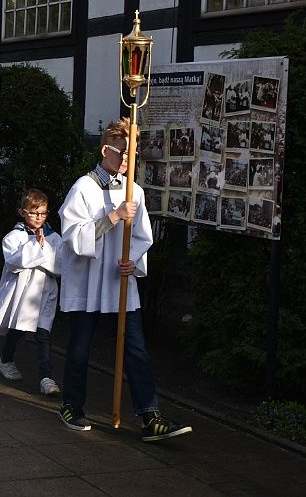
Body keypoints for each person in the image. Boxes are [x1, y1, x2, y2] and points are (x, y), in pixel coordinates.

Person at [57, 118, 192, 441]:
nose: (128, 160)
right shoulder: (83, 188)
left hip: (119, 280)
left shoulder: (135, 192)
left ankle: (150, 415)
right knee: (80, 346)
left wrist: (134, 262)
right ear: (106, 150)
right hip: (89, 280)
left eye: (133, 154)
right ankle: (71, 405)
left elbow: (143, 237)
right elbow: (72, 236)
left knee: (136, 348)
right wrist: (114, 216)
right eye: (123, 152)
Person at [0, 188, 61, 396]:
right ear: (22, 212)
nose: (39, 217)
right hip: (22, 293)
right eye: (34, 212)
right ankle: (6, 360)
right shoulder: (14, 237)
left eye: (43, 213)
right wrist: (38, 248)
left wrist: (39, 252)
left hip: (45, 292)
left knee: (43, 334)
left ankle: (46, 377)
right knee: (18, 329)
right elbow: (14, 262)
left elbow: (60, 264)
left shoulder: (54, 237)